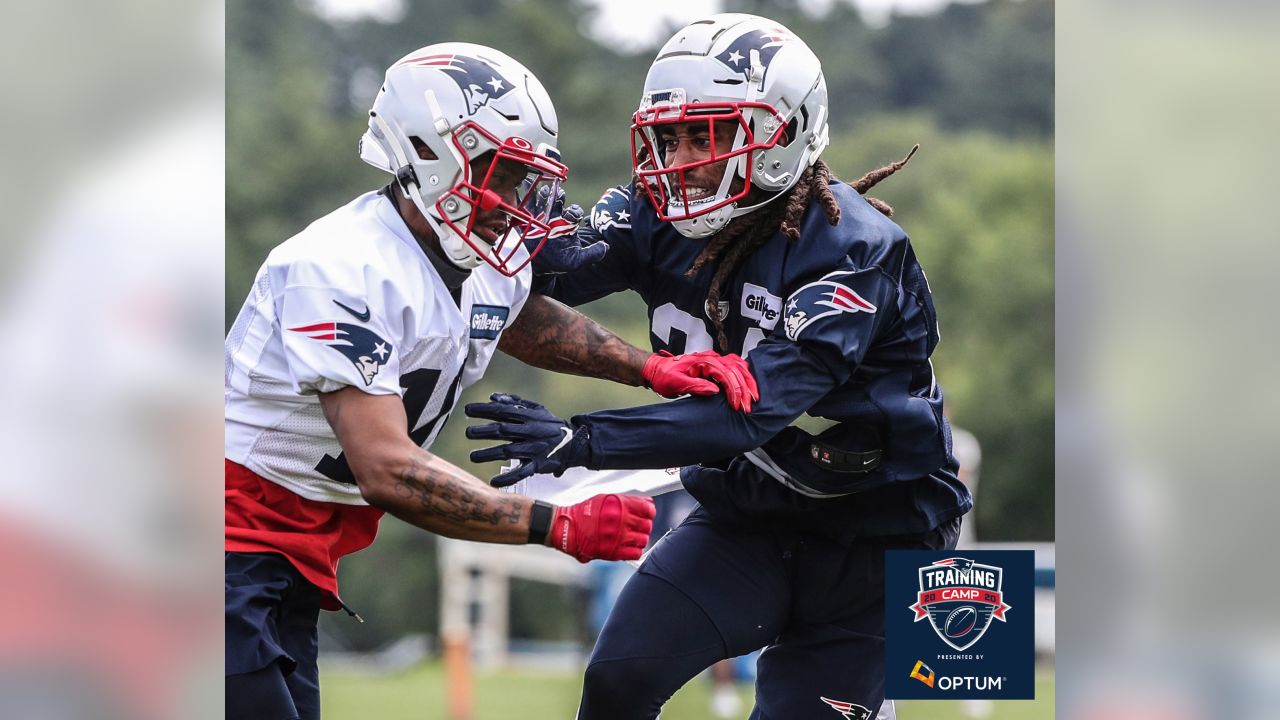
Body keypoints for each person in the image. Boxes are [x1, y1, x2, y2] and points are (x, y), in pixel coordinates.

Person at [224, 43, 757, 720]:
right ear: (428, 152)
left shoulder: (468, 254)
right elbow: (386, 468)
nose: (516, 201)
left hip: (289, 555)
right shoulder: (336, 269)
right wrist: (554, 524)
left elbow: (516, 317)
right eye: (501, 174)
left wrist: (648, 367)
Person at [465, 15, 972, 720]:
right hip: (751, 515)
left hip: (878, 541)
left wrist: (584, 442)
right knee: (615, 683)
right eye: (670, 137)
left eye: (706, 134)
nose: (683, 158)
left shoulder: (854, 249)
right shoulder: (657, 215)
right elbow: (553, 275)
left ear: (785, 132)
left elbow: (752, 413)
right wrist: (483, 217)